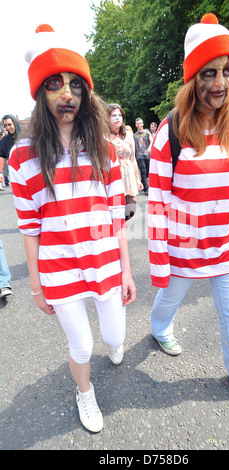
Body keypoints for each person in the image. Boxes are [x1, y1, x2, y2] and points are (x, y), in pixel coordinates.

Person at [9, 24, 136, 433]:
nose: (67, 94)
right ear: (38, 93)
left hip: (104, 262)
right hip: (59, 266)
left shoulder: (105, 148)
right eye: (54, 83)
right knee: (81, 345)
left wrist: (127, 270)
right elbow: (29, 228)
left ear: (87, 93)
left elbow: (117, 216)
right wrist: (35, 285)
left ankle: (112, 343)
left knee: (115, 336)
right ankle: (85, 393)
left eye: (75, 85)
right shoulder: (22, 156)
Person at [148, 13, 229, 409]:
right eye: (209, 72)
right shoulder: (171, 130)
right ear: (192, 76)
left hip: (227, 243)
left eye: (227, 71)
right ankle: (158, 328)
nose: (220, 83)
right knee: (169, 300)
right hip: (184, 244)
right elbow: (159, 201)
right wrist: (160, 260)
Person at [108, 103, 143, 220]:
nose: (117, 118)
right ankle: (116, 234)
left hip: (128, 175)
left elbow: (133, 159)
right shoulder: (103, 136)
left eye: (119, 115)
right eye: (114, 115)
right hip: (113, 176)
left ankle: (118, 230)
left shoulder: (128, 135)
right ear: (107, 118)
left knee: (130, 210)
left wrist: (137, 180)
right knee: (115, 212)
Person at [0, 114, 21, 188]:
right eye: (5, 125)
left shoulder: (26, 136)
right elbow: (2, 156)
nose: (7, 127)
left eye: (9, 124)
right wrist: (0, 172)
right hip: (15, 173)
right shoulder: (4, 140)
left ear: (14, 123)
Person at [133, 117, 152, 195]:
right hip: (139, 156)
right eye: (137, 123)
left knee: (148, 171)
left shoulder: (147, 133)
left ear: (143, 124)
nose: (139, 125)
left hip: (147, 155)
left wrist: (150, 148)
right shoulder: (134, 135)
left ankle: (147, 185)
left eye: (140, 123)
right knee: (143, 171)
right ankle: (146, 188)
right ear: (136, 125)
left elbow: (152, 141)